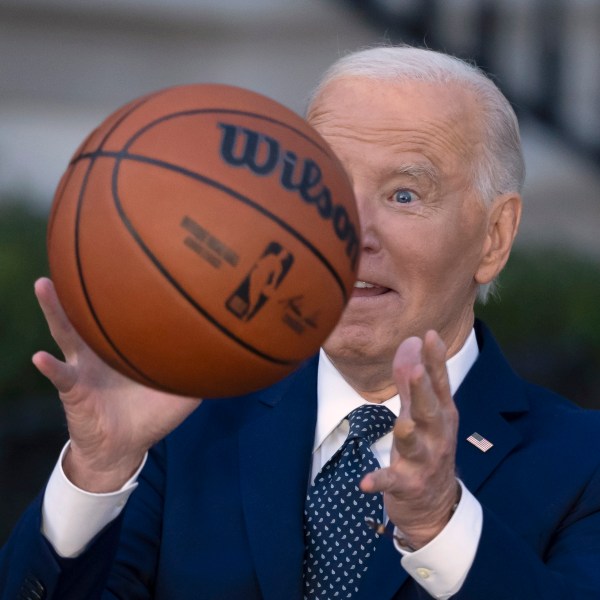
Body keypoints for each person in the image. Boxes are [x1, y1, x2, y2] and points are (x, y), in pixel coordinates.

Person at [2, 45, 600, 600]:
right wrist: (98, 473)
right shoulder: (180, 430)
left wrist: (440, 524)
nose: (348, 236)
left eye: (404, 195)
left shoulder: (582, 464)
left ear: (494, 238)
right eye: (327, 189)